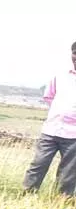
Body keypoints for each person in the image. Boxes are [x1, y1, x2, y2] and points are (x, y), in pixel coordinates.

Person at [22, 42, 76, 197]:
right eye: (75, 53)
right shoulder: (60, 76)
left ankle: (61, 205)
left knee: (68, 174)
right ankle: (27, 198)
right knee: (37, 165)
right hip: (51, 130)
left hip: (74, 136)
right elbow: (49, 97)